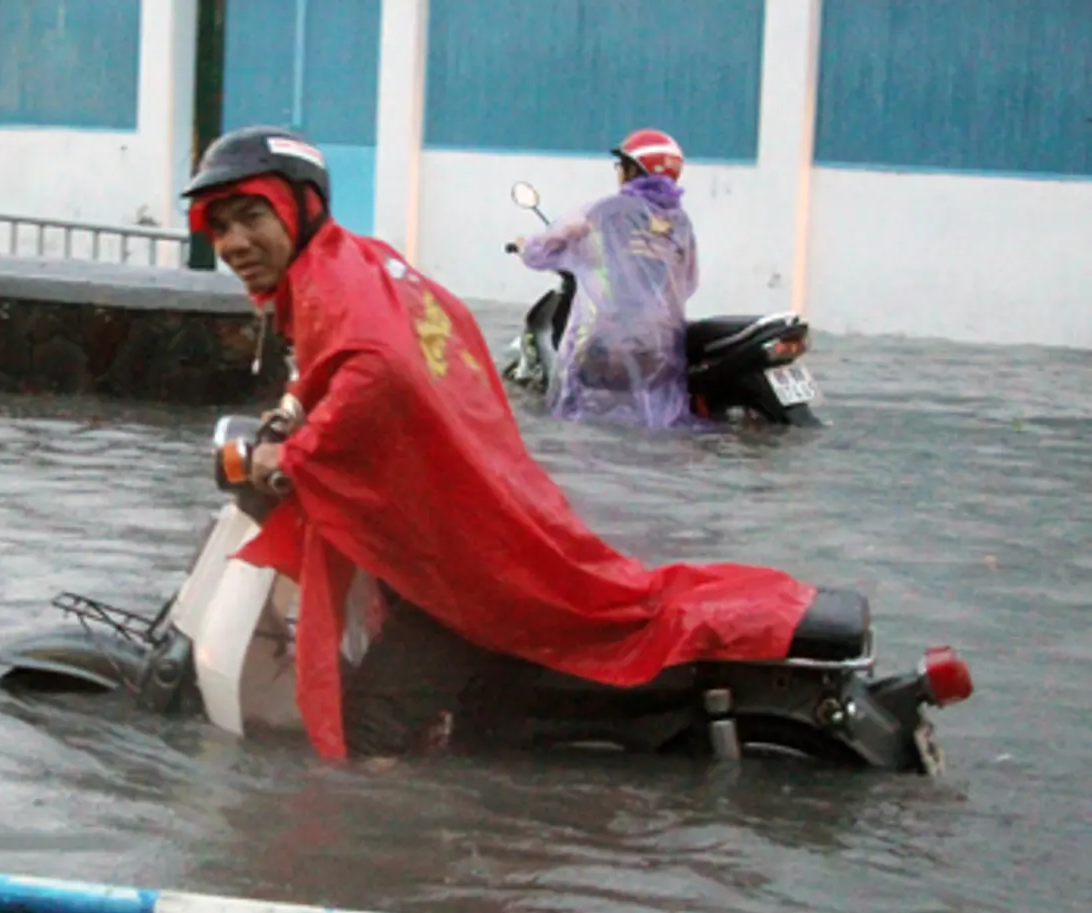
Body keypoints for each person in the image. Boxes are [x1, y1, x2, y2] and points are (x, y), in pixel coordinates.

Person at [183, 125, 817, 763]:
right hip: (489, 511)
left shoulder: (332, 280)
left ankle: (380, 850)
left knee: (361, 737)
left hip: (463, 561)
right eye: (220, 225)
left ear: (300, 205)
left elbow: (379, 367)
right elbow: (380, 358)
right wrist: (296, 407)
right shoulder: (365, 261)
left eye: (251, 216)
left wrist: (293, 455)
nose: (233, 242)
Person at [512, 128, 699, 428]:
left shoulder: (604, 212)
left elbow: (543, 251)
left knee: (573, 421)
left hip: (603, 344)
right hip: (661, 349)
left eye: (621, 166)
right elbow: (687, 284)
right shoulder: (680, 223)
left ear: (632, 170)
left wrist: (525, 246)